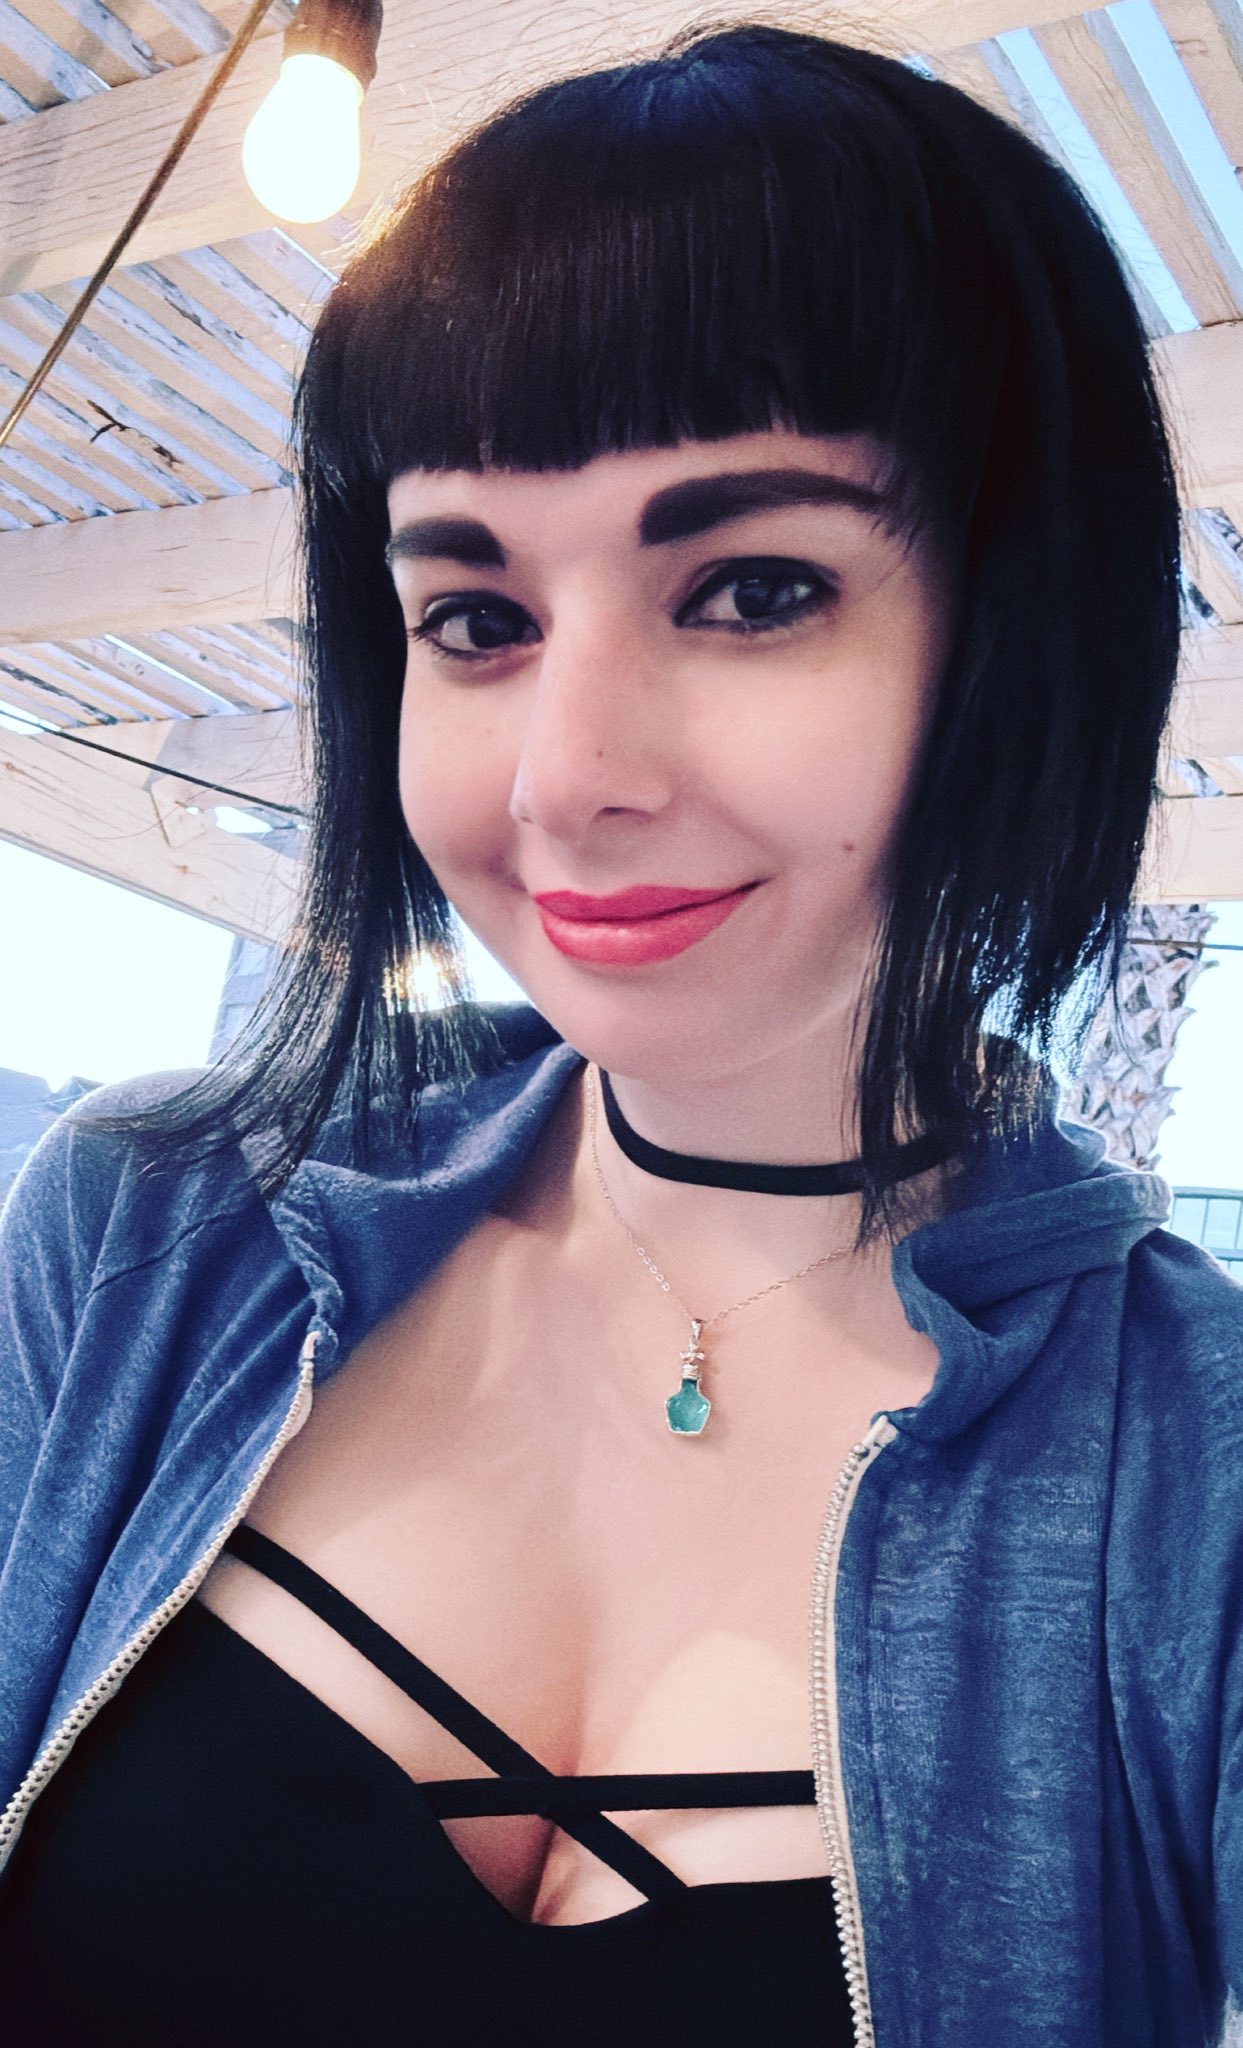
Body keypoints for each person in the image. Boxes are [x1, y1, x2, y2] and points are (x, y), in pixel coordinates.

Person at [0, 20, 1239, 2045]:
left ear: (1017, 624)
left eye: (750, 588)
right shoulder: (156, 1234)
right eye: (475, 620)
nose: (564, 779)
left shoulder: (1191, 1479)